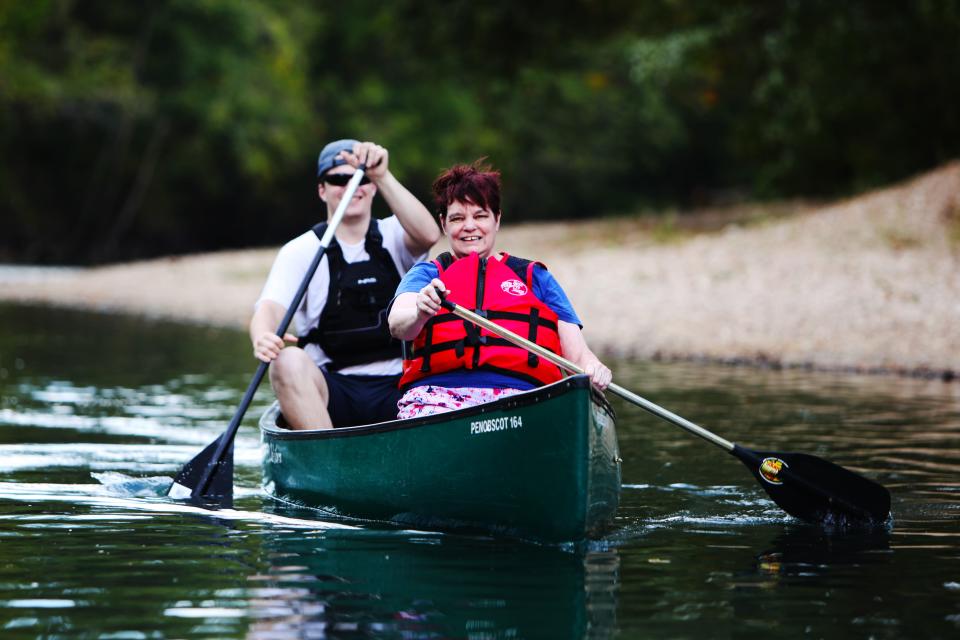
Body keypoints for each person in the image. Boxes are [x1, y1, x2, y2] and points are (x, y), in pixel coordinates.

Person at [387, 160, 611, 419]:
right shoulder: (427, 274)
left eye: (480, 216)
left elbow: (578, 356)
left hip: (522, 398)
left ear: (497, 219)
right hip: (437, 399)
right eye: (457, 218)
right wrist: (420, 312)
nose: (469, 226)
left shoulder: (534, 277)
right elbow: (398, 324)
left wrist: (594, 368)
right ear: (444, 224)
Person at [251, 139, 441, 429]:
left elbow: (429, 235)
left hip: (399, 387)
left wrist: (382, 174)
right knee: (286, 361)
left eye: (360, 179)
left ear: (373, 187)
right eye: (339, 179)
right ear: (321, 189)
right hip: (331, 389)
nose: (351, 186)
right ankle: (328, 459)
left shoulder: (395, 234)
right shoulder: (300, 251)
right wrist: (262, 335)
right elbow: (269, 308)